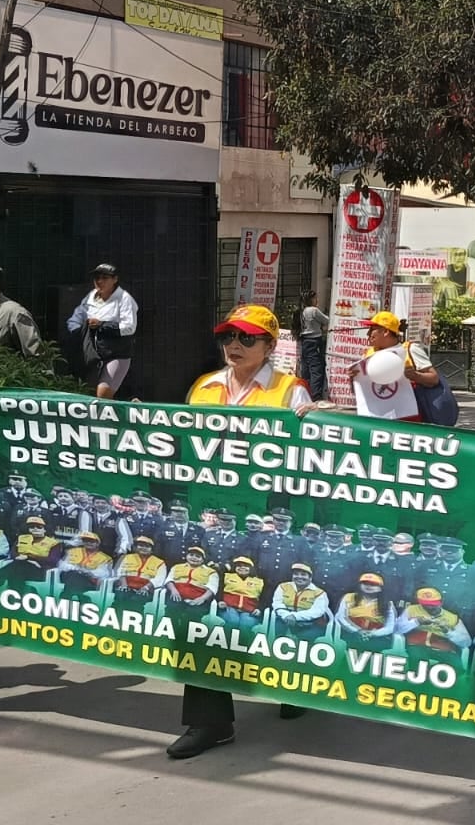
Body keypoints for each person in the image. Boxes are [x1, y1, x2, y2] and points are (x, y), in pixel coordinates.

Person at [168, 303, 318, 761]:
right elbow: (183, 445)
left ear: (271, 346)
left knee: (270, 605)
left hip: (265, 526)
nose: (234, 345)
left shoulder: (290, 392)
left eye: (247, 339)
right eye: (228, 337)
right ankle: (209, 722)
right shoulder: (204, 387)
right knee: (202, 616)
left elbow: (310, 463)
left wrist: (319, 426)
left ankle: (294, 683)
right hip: (209, 520)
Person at [66, 263, 138, 398]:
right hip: (93, 355)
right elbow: (74, 320)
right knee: (87, 392)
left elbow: (129, 327)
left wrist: (102, 325)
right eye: (97, 278)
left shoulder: (124, 299)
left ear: (115, 279)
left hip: (116, 354)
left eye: (105, 278)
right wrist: (80, 332)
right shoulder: (91, 297)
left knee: (102, 394)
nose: (100, 281)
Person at [354, 311, 440, 421]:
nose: (368, 334)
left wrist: (416, 376)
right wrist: (354, 378)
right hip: (377, 419)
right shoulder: (367, 355)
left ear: (385, 332)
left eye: (372, 330)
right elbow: (361, 392)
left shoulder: (410, 350)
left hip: (407, 420)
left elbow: (434, 379)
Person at [272, 563, 331, 639]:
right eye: (296, 574)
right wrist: (286, 615)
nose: (299, 577)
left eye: (303, 574)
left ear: (310, 578)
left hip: (311, 623)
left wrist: (295, 616)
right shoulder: (283, 587)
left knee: (304, 639)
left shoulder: (319, 593)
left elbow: (317, 611)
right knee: (279, 634)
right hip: (286, 618)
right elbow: (277, 603)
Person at [295, 290, 330, 400]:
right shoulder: (313, 310)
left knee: (306, 369)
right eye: (316, 298)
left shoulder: (301, 311)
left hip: (304, 342)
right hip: (314, 341)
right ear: (311, 299)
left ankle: (306, 393)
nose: (317, 300)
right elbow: (327, 320)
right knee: (316, 369)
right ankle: (316, 396)